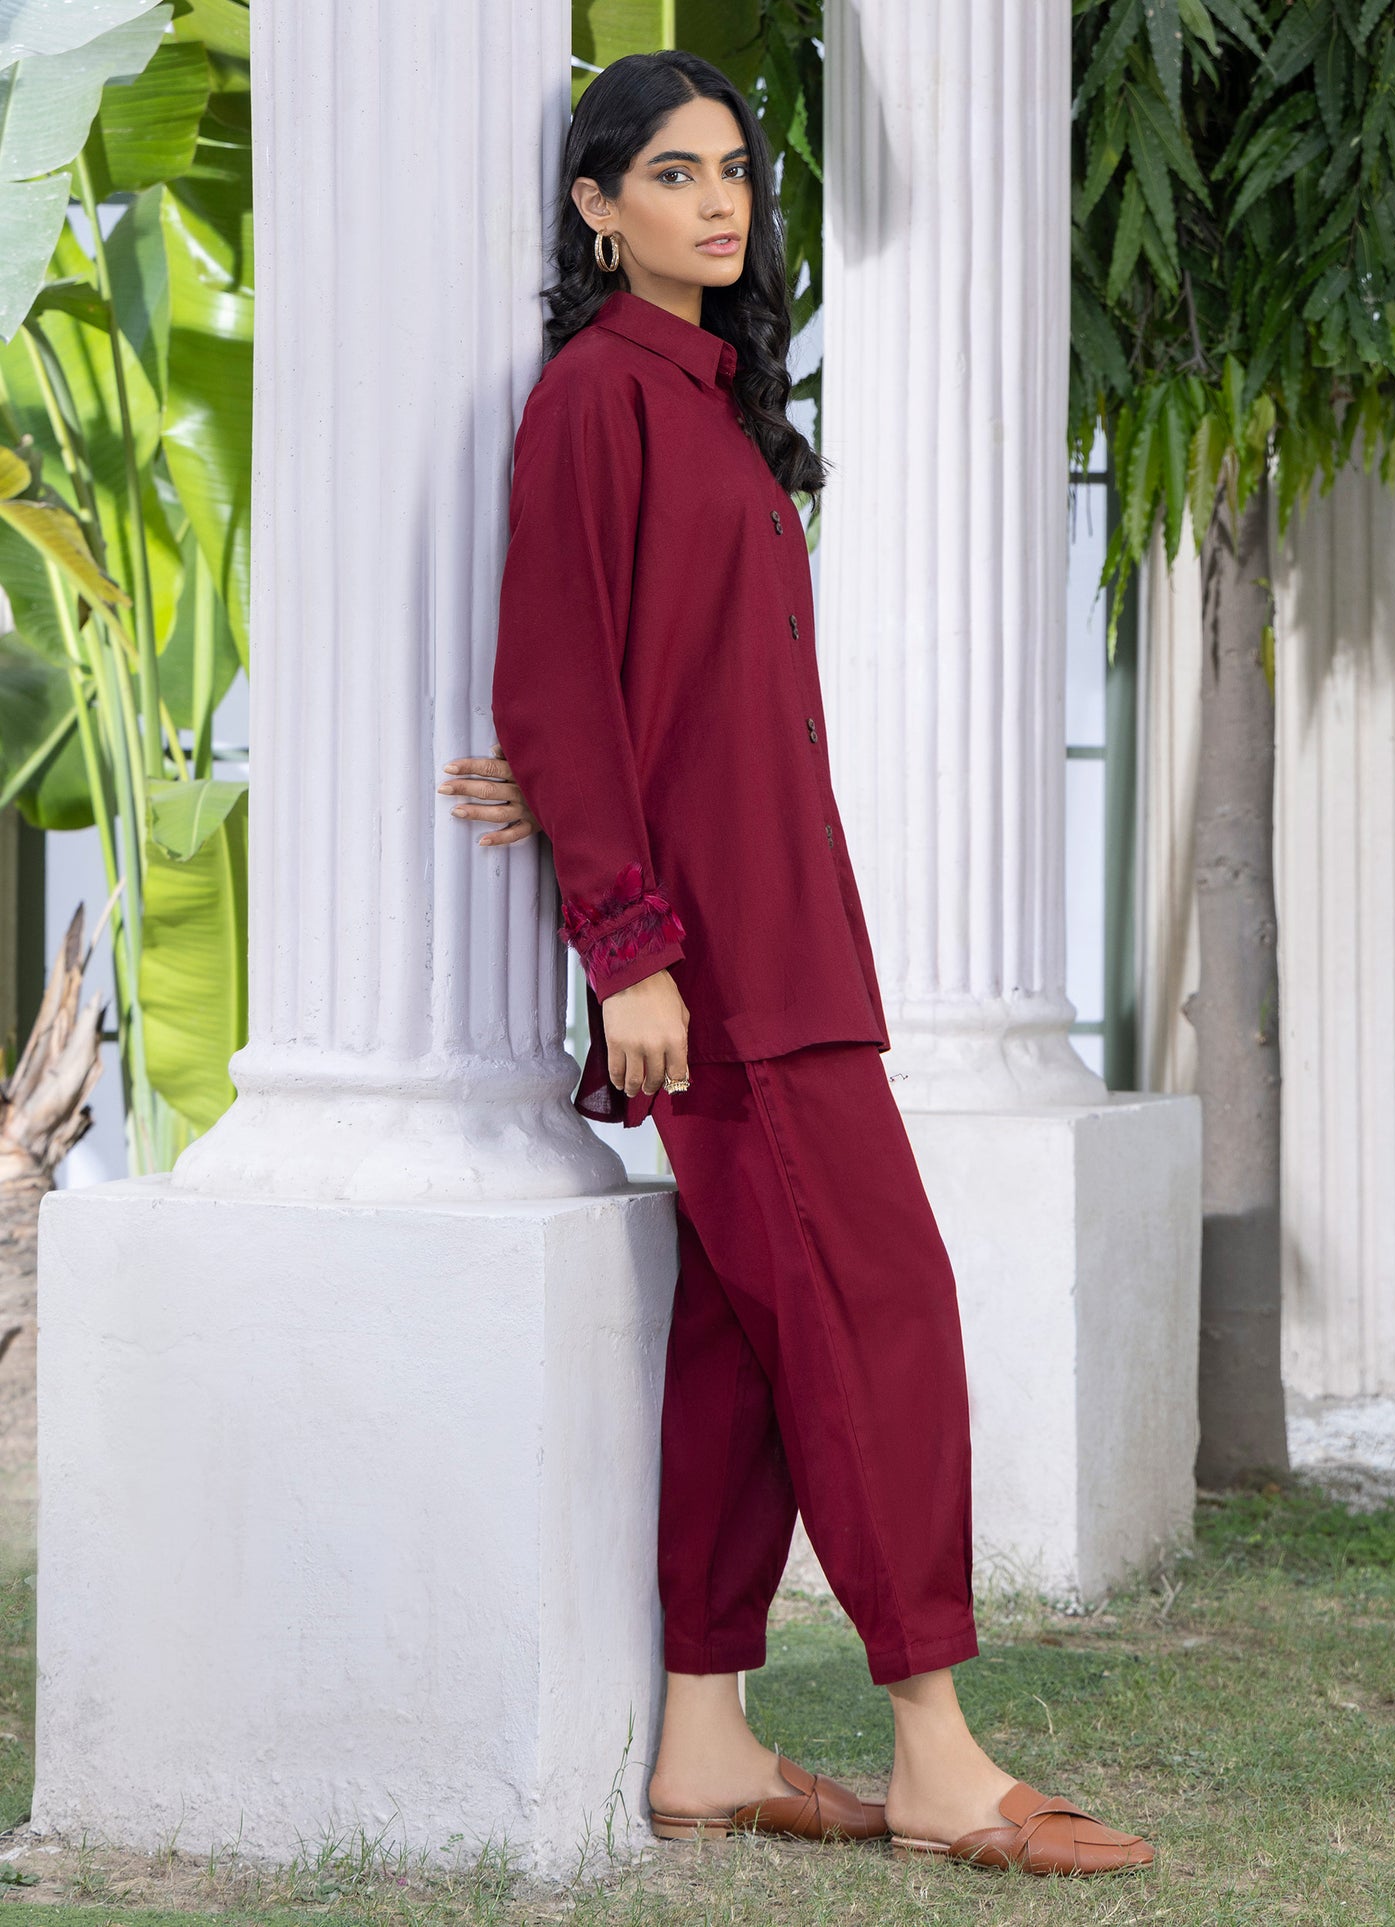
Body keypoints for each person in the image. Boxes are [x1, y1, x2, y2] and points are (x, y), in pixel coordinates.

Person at [438, 49, 1153, 1879]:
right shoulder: (595, 399)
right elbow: (556, 672)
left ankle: (701, 1737)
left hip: (794, 938)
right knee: (879, 1305)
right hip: (719, 970)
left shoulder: (715, 405)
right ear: (595, 207)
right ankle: (935, 1755)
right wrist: (627, 946)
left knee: (754, 1340)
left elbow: (649, 691)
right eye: (670, 173)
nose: (716, 201)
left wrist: (577, 794)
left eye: (733, 172)